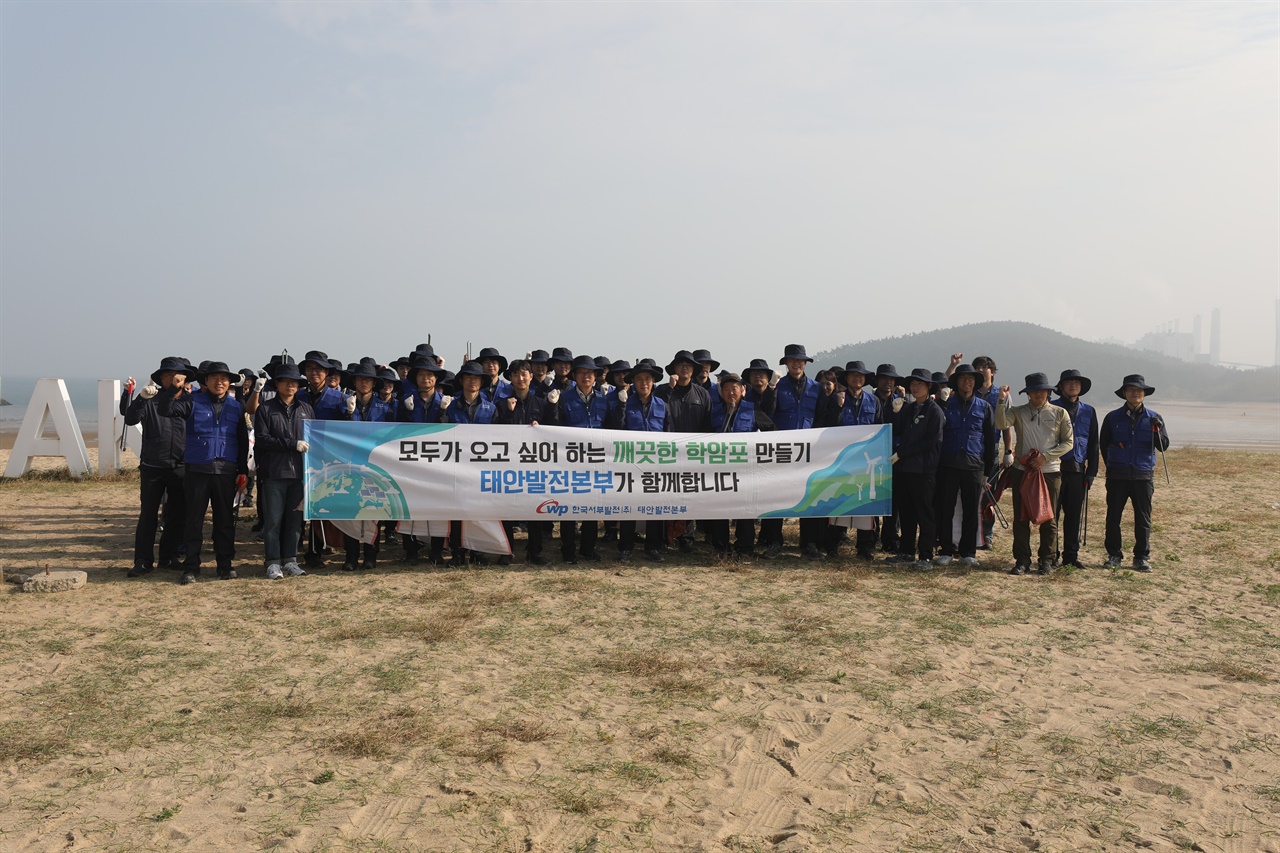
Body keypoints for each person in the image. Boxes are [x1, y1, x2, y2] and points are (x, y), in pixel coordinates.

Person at [158, 361, 250, 585]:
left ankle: (225, 566)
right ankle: (191, 567)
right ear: (205, 382)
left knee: (225, 521)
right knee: (194, 520)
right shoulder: (191, 401)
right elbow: (166, 409)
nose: (220, 382)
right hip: (197, 470)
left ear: (229, 383)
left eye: (224, 379)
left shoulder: (236, 406)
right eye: (214, 378)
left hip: (226, 471)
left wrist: (243, 469)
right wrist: (174, 388)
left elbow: (242, 440)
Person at [995, 372, 1075, 575]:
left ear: (1048, 391)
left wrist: (1046, 457)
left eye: (1042, 390)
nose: (1039, 394)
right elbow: (1001, 424)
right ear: (1028, 393)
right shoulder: (1018, 411)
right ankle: (1022, 560)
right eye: (1034, 391)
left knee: (1049, 518)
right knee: (1021, 517)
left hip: (1050, 472)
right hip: (1022, 472)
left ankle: (1046, 560)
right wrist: (1001, 401)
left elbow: (1068, 442)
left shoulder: (1059, 413)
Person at [124, 356, 191, 576]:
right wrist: (140, 398)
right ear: (161, 378)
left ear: (185, 379)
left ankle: (169, 557)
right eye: (168, 375)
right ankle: (143, 560)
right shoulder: (151, 400)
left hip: (181, 465)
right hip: (152, 466)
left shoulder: (191, 402)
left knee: (177, 515)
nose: (172, 379)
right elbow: (131, 419)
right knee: (148, 515)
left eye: (177, 375)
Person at [1099, 374, 1168, 572]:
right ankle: (1114, 555)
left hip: (1143, 475)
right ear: (1124, 393)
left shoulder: (1155, 418)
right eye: (1130, 390)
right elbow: (1104, 445)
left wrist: (1157, 430)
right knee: (1113, 517)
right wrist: (1112, 465)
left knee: (1143, 518)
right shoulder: (1112, 417)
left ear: (1144, 394)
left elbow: (1163, 447)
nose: (1135, 393)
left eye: (1139, 390)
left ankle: (1141, 557)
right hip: (1117, 476)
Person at [253, 363, 314, 580]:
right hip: (275, 473)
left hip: (299, 475)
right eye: (286, 381)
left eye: (295, 382)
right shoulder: (266, 409)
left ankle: (290, 560)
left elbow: (314, 440)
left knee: (295, 522)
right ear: (277, 383)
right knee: (273, 521)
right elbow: (262, 439)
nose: (290, 385)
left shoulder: (306, 410)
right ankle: (272, 562)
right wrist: (291, 444)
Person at [706, 371, 775, 558]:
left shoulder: (752, 410)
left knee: (745, 510)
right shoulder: (715, 412)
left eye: (734, 388)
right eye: (726, 389)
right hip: (720, 471)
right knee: (720, 510)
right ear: (721, 392)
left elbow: (771, 431)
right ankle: (721, 546)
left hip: (746, 471)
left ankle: (744, 547)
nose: (730, 393)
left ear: (743, 390)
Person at [934, 364, 996, 567]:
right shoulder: (945, 405)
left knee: (971, 510)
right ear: (957, 382)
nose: (967, 382)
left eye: (971, 379)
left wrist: (987, 471)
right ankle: (945, 550)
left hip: (974, 465)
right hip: (948, 464)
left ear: (975, 383)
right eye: (963, 378)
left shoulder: (984, 407)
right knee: (945, 509)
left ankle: (968, 552)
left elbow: (989, 439)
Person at [608, 359, 669, 563]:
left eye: (648, 379)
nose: (644, 383)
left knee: (653, 507)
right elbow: (616, 430)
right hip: (629, 464)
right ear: (632, 382)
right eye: (640, 379)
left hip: (655, 464)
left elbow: (670, 434)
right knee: (629, 506)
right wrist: (622, 405)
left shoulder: (663, 405)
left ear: (653, 382)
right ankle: (625, 547)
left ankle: (653, 546)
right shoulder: (624, 402)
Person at [821, 360, 882, 560]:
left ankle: (865, 547)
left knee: (867, 504)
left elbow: (880, 429)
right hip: (841, 460)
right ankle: (832, 546)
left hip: (866, 461)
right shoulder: (835, 399)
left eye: (861, 376)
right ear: (846, 378)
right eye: (853, 375)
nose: (857, 378)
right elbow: (827, 427)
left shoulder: (873, 401)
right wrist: (838, 408)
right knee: (837, 500)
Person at [497, 359, 557, 564]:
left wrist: (541, 427)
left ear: (531, 377)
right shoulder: (501, 404)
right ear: (510, 379)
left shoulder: (541, 403)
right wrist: (509, 414)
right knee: (506, 510)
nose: (520, 378)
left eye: (524, 374)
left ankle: (535, 552)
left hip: (534, 467)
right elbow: (494, 435)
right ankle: (506, 550)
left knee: (535, 509)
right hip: (509, 466)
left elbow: (553, 433)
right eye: (516, 375)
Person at [396, 352, 453, 564]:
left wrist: (444, 412)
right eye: (421, 375)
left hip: (439, 463)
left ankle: (436, 551)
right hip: (411, 463)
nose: (425, 379)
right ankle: (410, 550)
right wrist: (408, 414)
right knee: (409, 506)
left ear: (436, 378)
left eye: (430, 375)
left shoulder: (447, 402)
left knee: (438, 507)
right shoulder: (405, 402)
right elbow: (396, 433)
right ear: (415, 378)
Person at [552, 355, 608, 563]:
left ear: (596, 377)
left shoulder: (604, 400)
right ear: (574, 376)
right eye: (582, 373)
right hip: (571, 461)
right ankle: (567, 549)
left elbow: (611, 429)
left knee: (592, 506)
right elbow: (556, 429)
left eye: (591, 373)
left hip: (596, 460)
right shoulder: (564, 399)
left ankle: (587, 548)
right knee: (568, 506)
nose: (587, 376)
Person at [656, 350, 713, 554]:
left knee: (688, 496)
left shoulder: (702, 394)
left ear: (693, 370)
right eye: (680, 365)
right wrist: (669, 390)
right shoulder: (661, 391)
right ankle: (663, 537)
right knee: (665, 495)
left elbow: (708, 425)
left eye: (688, 366)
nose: (684, 368)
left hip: (692, 454)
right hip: (666, 453)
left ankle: (686, 539)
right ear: (673, 369)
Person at [890, 369, 944, 569]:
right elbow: (897, 430)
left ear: (929, 386)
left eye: (919, 384)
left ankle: (926, 555)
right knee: (906, 513)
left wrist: (903, 453)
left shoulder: (935, 411)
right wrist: (895, 413)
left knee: (925, 514)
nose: (915, 387)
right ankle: (906, 552)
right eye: (912, 384)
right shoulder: (910, 408)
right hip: (904, 470)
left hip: (924, 470)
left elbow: (931, 441)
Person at [1051, 369, 1099, 569]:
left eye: (1076, 383)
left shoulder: (1089, 411)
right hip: (1053, 469)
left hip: (1078, 470)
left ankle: (1071, 555)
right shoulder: (1051, 407)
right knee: (1052, 516)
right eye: (1068, 382)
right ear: (1061, 387)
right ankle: (1050, 555)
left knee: (1073, 515)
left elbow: (1093, 443)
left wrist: (1092, 472)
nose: (1073, 386)